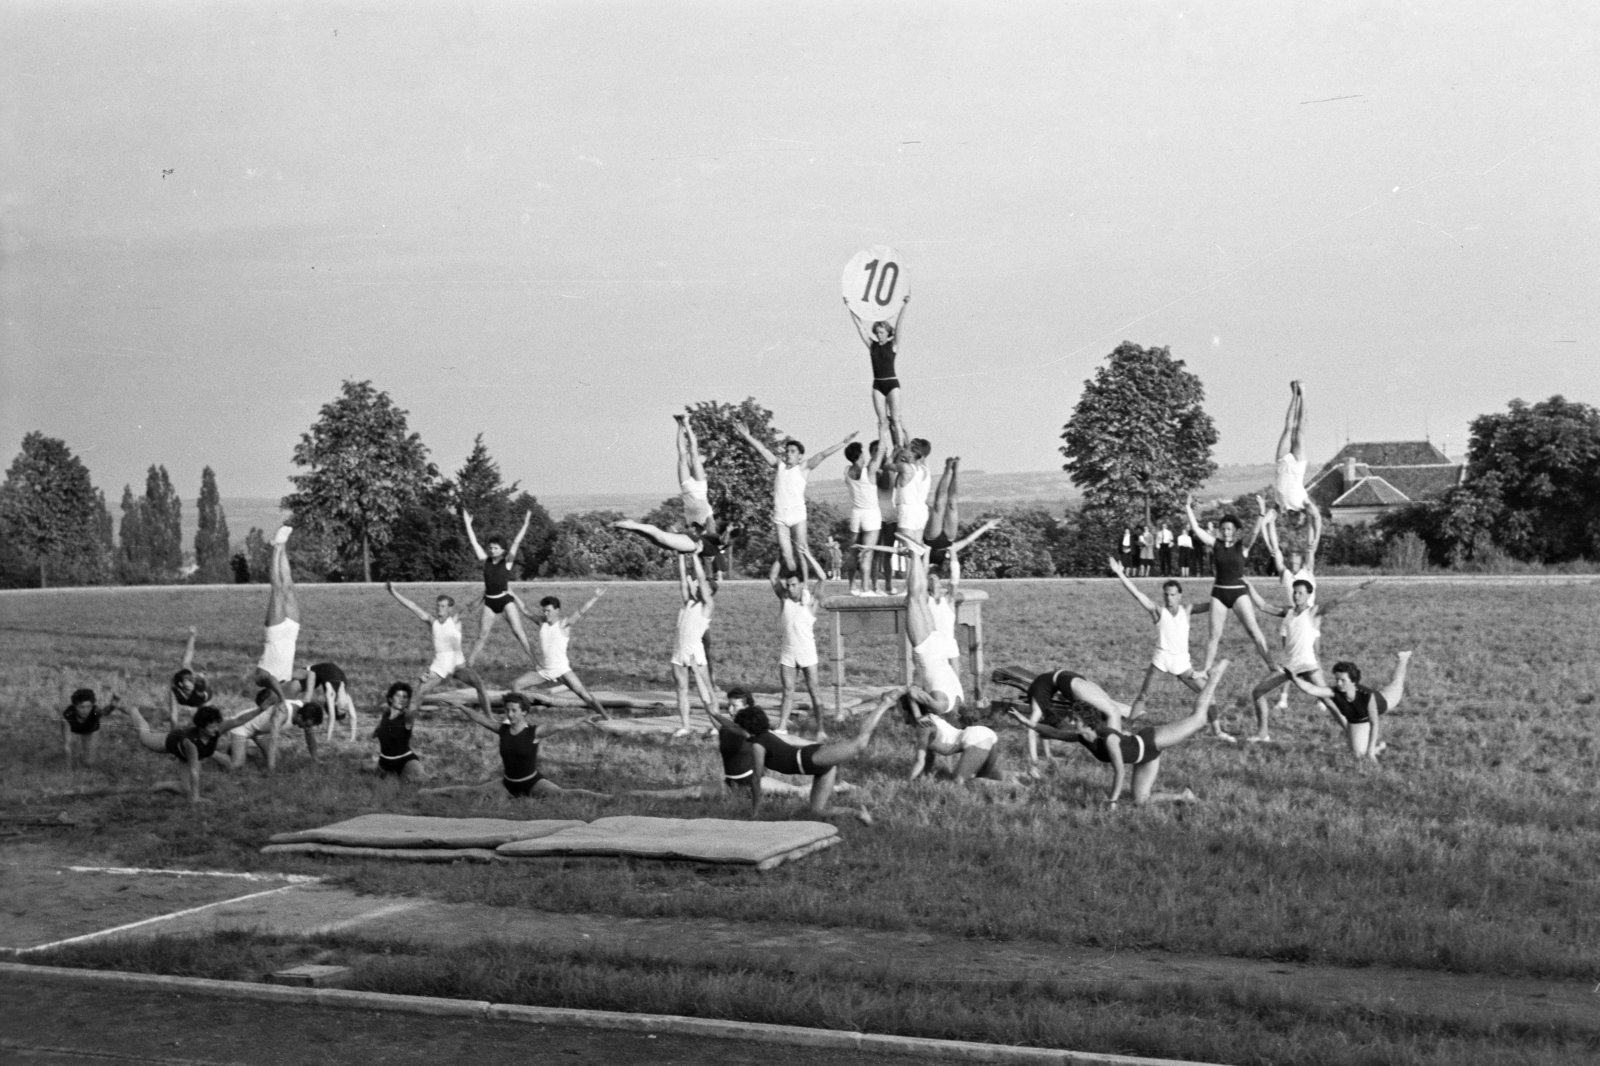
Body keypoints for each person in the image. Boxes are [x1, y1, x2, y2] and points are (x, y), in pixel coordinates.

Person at [1010, 662, 1230, 806]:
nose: (1070, 722)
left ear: (1086, 722)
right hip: (1145, 758)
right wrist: (1027, 723)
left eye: (1074, 720)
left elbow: (1119, 773)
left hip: (1152, 741)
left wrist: (1112, 801)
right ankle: (1184, 796)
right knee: (1141, 801)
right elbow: (1054, 733)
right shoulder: (1082, 737)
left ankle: (1214, 678)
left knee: (1199, 719)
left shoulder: (1109, 739)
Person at [710, 691, 892, 823]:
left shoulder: (758, 745)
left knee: (859, 743)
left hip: (813, 759)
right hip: (818, 767)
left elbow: (756, 780)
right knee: (817, 811)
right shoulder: (762, 735)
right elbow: (732, 727)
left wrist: (756, 812)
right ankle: (857, 813)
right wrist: (714, 713)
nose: (736, 728)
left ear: (746, 728)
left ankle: (885, 703)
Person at [1243, 579, 1372, 742]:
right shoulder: (1288, 612)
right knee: (1258, 692)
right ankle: (1263, 733)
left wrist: (1359, 587)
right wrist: (1249, 587)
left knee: (1329, 701)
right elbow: (1263, 606)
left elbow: (1336, 601)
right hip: (1289, 666)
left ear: (1309, 595)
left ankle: (1354, 734)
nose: (1296, 596)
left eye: (1300, 593)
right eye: (1294, 592)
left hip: (1308, 665)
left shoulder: (1313, 612)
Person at [421, 691, 608, 800]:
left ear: (524, 712)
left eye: (514, 711)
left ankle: (605, 799)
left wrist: (583, 718)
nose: (509, 714)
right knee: (471, 793)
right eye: (507, 710)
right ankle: (429, 793)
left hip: (533, 782)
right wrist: (461, 706)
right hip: (508, 783)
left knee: (563, 795)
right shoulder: (501, 729)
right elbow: (480, 719)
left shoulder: (534, 732)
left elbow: (558, 726)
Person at [1185, 496, 1274, 707]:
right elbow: (1197, 530)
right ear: (1219, 530)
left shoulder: (1243, 547)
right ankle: (1206, 670)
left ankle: (1271, 664)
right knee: (1214, 636)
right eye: (1223, 528)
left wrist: (1261, 513)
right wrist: (1188, 508)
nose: (1226, 531)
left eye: (1229, 529)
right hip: (1219, 593)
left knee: (1254, 631)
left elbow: (1254, 533)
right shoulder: (1214, 544)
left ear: (1235, 531)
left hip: (1238, 593)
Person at [734, 423, 857, 574]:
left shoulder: (803, 468)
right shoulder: (779, 465)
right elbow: (762, 450)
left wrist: (844, 443)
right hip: (780, 516)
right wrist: (747, 435)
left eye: (792, 451)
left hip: (797, 515)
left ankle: (804, 586)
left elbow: (823, 454)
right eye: (787, 451)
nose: (788, 454)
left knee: (802, 551)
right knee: (786, 555)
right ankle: (794, 582)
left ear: (800, 456)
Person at [1108, 557, 1208, 719]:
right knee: (1143, 696)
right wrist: (1120, 573)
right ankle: (1127, 728)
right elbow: (1137, 594)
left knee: (1207, 692)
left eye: (1173, 595)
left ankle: (1217, 730)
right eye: (1167, 595)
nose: (1169, 598)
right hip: (1161, 659)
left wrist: (1231, 595)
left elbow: (1214, 604)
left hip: (1182, 663)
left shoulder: (1187, 610)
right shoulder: (1157, 611)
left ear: (1180, 595)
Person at [119, 702, 264, 804]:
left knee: (186, 789)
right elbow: (194, 770)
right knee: (145, 737)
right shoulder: (191, 743)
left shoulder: (217, 729)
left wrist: (260, 709)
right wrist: (196, 798)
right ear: (201, 727)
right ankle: (133, 711)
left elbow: (239, 720)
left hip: (185, 755)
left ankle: (161, 786)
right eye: (211, 727)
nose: (216, 730)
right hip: (169, 742)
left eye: (217, 725)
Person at [384, 583, 493, 711]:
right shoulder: (432, 621)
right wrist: (394, 592)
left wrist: (486, 593)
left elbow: (471, 607)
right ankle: (406, 722)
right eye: (438, 606)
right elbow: (412, 606)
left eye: (443, 606)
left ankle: (489, 718)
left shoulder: (455, 620)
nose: (439, 609)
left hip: (458, 666)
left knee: (479, 685)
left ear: (449, 609)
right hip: (439, 667)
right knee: (419, 693)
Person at [1287, 653, 1412, 762]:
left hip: (1384, 702)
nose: (1338, 684)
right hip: (1358, 719)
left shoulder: (1367, 696)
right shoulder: (1334, 691)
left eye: (1343, 680)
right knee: (1357, 755)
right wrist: (1294, 678)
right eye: (1337, 679)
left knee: (1397, 683)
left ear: (1353, 681)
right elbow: (1312, 689)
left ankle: (1403, 658)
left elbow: (1374, 724)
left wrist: (1370, 753)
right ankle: (1377, 748)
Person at [895, 535, 965, 719]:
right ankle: (915, 553)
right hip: (928, 653)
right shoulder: (940, 706)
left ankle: (916, 555)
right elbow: (912, 691)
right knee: (912, 598)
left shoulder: (960, 698)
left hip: (939, 647)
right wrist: (918, 716)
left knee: (916, 598)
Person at [516, 591, 612, 720]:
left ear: (557, 610)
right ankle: (518, 717)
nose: (545, 614)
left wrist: (595, 596)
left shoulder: (564, 624)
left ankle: (607, 718)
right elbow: (525, 611)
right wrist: (511, 594)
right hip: (544, 670)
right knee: (515, 686)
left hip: (561, 669)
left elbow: (581, 611)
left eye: (548, 611)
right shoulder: (542, 623)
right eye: (544, 611)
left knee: (585, 695)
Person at [462, 509, 539, 668]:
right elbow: (474, 543)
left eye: (496, 548)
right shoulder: (485, 561)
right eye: (491, 548)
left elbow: (516, 542)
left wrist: (526, 523)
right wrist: (468, 524)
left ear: (503, 550)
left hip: (505, 601)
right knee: (482, 635)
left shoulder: (508, 561)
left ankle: (536, 663)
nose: (492, 550)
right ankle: (469, 665)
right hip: (489, 602)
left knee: (518, 632)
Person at [903, 696, 1026, 788]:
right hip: (984, 735)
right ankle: (1024, 776)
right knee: (982, 777)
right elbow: (928, 757)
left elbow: (920, 759)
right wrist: (922, 778)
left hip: (975, 737)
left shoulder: (923, 727)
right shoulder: (931, 719)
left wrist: (906, 783)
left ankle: (1017, 788)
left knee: (960, 783)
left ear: (906, 711)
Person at [770, 551, 828, 735]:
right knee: (787, 691)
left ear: (802, 585)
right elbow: (772, 576)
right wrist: (782, 553)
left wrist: (808, 555)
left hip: (807, 653)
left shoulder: (810, 603)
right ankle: (782, 727)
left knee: (814, 691)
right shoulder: (785, 599)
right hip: (788, 652)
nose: (790, 588)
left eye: (794, 585)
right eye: (788, 585)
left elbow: (823, 577)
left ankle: (820, 729)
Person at [845, 291, 910, 440]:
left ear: (888, 333)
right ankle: (882, 448)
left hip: (892, 383)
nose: (879, 335)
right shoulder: (872, 345)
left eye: (882, 332)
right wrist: (850, 306)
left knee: (895, 419)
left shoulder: (893, 345)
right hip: (878, 385)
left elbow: (899, 324)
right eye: (878, 332)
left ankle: (899, 448)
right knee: (882, 421)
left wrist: (904, 305)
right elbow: (860, 327)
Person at [669, 552, 719, 738]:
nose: (696, 584)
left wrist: (696, 556)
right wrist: (681, 556)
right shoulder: (688, 602)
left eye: (700, 584)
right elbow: (683, 580)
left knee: (705, 691)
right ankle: (685, 726)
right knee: (681, 690)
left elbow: (700, 580)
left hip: (695, 654)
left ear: (707, 589)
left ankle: (716, 724)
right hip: (679, 652)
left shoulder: (707, 605)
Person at [251, 526, 299, 709]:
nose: (274, 701)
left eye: (270, 702)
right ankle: (283, 546)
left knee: (277, 589)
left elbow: (270, 679)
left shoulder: (260, 680)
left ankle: (275, 549)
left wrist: (282, 698)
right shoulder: (284, 682)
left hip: (276, 634)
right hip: (291, 634)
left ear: (266, 697)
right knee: (288, 586)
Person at [221, 690, 324, 772]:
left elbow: (310, 736)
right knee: (236, 766)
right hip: (244, 725)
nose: (306, 728)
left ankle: (237, 749)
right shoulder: (282, 714)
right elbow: (273, 740)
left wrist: (316, 760)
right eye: (306, 725)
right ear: (300, 717)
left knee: (277, 760)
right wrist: (271, 770)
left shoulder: (306, 709)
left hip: (260, 732)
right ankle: (212, 752)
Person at [1272, 380, 1323, 546]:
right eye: (1298, 521)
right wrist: (1315, 538)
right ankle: (1303, 395)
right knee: (1299, 431)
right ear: (1302, 517)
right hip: (1297, 465)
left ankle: (1295, 395)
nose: (1294, 519)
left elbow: (1267, 519)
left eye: (1292, 522)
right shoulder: (1304, 503)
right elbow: (1316, 517)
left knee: (1288, 429)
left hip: (1281, 463)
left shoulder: (1281, 506)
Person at [843, 431, 888, 595]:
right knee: (867, 552)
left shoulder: (847, 471)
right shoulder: (869, 471)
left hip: (856, 514)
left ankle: (852, 586)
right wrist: (882, 429)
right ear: (860, 454)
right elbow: (881, 451)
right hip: (870, 514)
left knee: (853, 552)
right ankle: (865, 588)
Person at [369, 681, 426, 781]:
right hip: (384, 763)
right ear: (391, 698)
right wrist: (375, 733)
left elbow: (415, 703)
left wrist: (421, 683)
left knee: (411, 787)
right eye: (398, 696)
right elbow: (375, 734)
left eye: (405, 697)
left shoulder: (407, 717)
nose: (402, 699)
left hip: (406, 762)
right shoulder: (385, 716)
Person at [674, 413, 717, 536]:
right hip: (700, 488)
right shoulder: (708, 516)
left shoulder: (688, 523)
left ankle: (679, 424)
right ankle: (686, 423)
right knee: (694, 455)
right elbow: (712, 530)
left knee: (682, 456)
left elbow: (678, 527)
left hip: (686, 488)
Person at [294, 661, 357, 742]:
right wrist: (328, 739)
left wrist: (352, 738)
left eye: (342, 709)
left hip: (327, 670)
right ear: (334, 703)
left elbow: (353, 717)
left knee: (303, 684)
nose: (344, 707)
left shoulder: (344, 697)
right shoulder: (332, 694)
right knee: (291, 677)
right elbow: (332, 717)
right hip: (321, 669)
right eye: (344, 710)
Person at [891, 439, 933, 546]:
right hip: (921, 510)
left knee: (907, 549)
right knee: (916, 550)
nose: (905, 449)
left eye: (908, 448)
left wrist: (895, 454)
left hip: (907, 510)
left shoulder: (906, 468)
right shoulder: (925, 468)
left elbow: (888, 465)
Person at [168, 627, 211, 727]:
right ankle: (192, 636)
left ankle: (193, 635)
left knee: (205, 718)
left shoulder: (198, 687)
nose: (192, 682)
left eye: (193, 680)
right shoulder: (175, 690)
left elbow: (204, 713)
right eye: (189, 680)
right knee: (185, 664)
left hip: (201, 698)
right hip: (186, 692)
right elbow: (174, 713)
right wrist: (173, 735)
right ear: (180, 684)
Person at [61, 688, 116, 768]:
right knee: (69, 751)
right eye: (81, 707)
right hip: (75, 727)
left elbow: (105, 711)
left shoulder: (95, 711)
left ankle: (81, 758)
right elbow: (67, 744)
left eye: (88, 707)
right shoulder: (68, 715)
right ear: (75, 706)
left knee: (89, 763)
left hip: (91, 729)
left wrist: (112, 706)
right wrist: (68, 769)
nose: (85, 710)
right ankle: (74, 759)